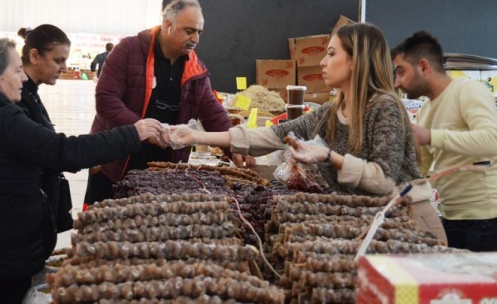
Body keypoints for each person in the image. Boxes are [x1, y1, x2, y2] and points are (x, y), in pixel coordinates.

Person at [165, 23, 447, 244]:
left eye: (332, 53)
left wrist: (329, 156)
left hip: (412, 222)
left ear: (355, 61)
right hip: (380, 223)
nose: (323, 62)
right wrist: (195, 137)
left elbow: (383, 179)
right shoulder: (330, 111)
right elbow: (271, 136)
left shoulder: (385, 107)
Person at [0, 37, 163, 303]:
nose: (23, 79)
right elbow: (63, 151)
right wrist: (132, 134)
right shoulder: (5, 119)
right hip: (4, 255)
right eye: (16, 71)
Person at [85, 0, 254, 205]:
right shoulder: (128, 50)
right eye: (189, 31)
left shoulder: (196, 69)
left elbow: (212, 112)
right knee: (104, 228)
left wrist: (234, 148)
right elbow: (106, 100)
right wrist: (140, 130)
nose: (196, 39)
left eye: (199, 32)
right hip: (116, 162)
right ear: (168, 25)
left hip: (163, 173)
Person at [392, 31, 497, 252]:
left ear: (423, 67)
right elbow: (420, 172)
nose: (397, 82)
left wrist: (430, 136)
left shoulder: (467, 90)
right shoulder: (425, 111)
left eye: (401, 72)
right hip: (451, 218)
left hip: (486, 221)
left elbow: (492, 140)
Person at [16, 24, 73, 232]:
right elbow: (48, 150)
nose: (65, 68)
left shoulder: (30, 92)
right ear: (34, 56)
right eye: (58, 60)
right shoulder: (18, 96)